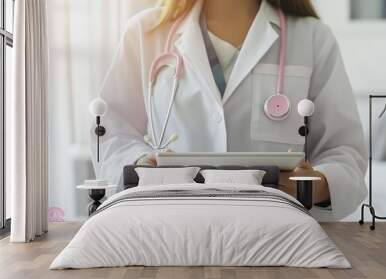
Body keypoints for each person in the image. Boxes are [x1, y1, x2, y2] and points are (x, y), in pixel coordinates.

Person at [91, 0, 368, 220]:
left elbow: (343, 150)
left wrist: (315, 186)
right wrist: (141, 168)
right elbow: (112, 132)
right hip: (170, 225)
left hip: (278, 231)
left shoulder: (312, 38)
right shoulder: (145, 33)